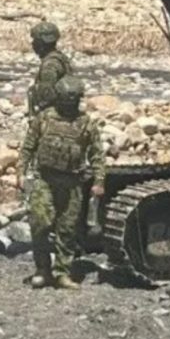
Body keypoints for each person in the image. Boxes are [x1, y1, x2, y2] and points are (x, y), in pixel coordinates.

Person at [18, 76, 105, 290]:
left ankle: (62, 272)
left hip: (72, 182)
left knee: (67, 229)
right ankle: (42, 270)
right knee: (40, 223)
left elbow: (97, 154)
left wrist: (99, 180)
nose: (69, 104)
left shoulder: (86, 124)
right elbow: (28, 146)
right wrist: (20, 172)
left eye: (73, 100)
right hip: (45, 180)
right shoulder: (44, 119)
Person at [28, 21, 72, 116]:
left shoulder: (49, 66)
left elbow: (47, 97)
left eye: (35, 41)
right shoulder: (60, 58)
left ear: (41, 43)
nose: (33, 44)